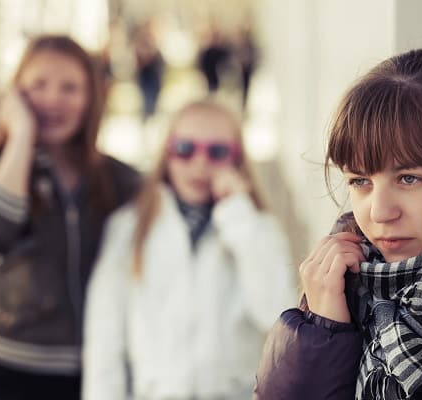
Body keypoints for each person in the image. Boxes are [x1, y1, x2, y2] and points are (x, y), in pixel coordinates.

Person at [0, 35, 140, 400]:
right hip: (13, 375)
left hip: (102, 374)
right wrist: (20, 137)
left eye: (70, 87)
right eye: (38, 85)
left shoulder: (122, 180)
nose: (53, 99)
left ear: (91, 97)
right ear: (16, 94)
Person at [253, 49, 422, 400]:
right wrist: (323, 328)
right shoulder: (346, 283)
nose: (379, 212)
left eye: (408, 179)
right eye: (361, 181)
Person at [82, 100, 296, 400]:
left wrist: (238, 216)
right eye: (185, 149)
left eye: (217, 152)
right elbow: (105, 341)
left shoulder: (257, 228)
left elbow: (276, 314)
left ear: (237, 159)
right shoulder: (128, 228)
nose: (200, 164)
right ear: (167, 153)